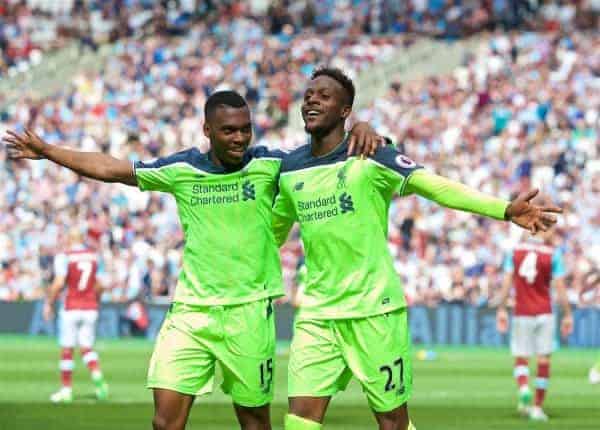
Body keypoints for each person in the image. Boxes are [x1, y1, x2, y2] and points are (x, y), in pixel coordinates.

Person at [4, 90, 382, 430]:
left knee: (253, 421)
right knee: (165, 422)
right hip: (190, 313)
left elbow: (328, 154)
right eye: (229, 130)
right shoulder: (183, 170)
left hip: (249, 314)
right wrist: (50, 152)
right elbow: (113, 169)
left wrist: (360, 127)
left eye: (245, 130)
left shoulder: (271, 163)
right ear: (207, 130)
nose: (239, 138)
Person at [272, 67, 562, 430]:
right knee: (299, 419)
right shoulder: (289, 169)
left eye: (324, 96)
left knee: (393, 421)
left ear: (345, 112)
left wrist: (502, 209)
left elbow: (434, 185)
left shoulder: (372, 154)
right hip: (317, 313)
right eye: (308, 95)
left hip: (374, 312)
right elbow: (272, 232)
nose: (312, 99)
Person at [496, 221, 573, 421]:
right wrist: (567, 314)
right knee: (544, 359)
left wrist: (502, 309)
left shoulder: (514, 252)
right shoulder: (552, 254)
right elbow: (560, 288)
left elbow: (506, 283)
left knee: (521, 356)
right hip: (544, 312)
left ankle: (523, 388)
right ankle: (537, 408)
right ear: (544, 231)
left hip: (522, 312)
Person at [44, 228, 109, 403]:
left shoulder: (65, 256)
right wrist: (97, 300)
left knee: (67, 349)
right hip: (90, 307)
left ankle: (66, 390)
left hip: (71, 306)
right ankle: (98, 378)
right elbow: (100, 285)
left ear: (69, 239)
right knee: (86, 347)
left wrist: (49, 303)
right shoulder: (94, 256)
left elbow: (58, 284)